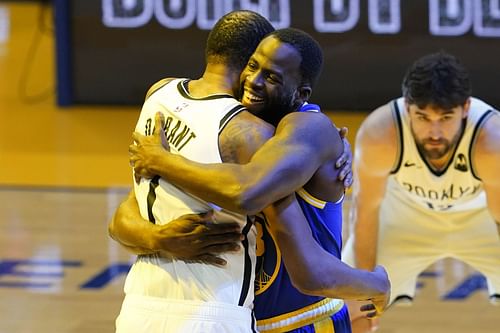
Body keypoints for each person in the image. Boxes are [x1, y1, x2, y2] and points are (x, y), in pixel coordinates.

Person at [118, 28, 390, 333]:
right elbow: (125, 215)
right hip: (242, 318)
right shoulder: (233, 129)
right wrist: (160, 239)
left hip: (306, 320)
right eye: (251, 66)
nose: (253, 81)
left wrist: (161, 160)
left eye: (272, 77)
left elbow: (249, 196)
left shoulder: (308, 129)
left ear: (301, 93)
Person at [111, 10, 276, 333]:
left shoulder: (158, 94)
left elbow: (127, 211)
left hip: (138, 305)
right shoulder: (246, 131)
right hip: (214, 307)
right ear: (252, 64)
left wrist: (158, 238)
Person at [341, 51, 500, 332]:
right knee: (347, 306)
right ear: (407, 109)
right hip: (403, 216)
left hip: (481, 218)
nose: (434, 132)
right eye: (423, 117)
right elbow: (365, 214)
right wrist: (366, 290)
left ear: (465, 108)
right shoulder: (381, 133)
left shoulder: (491, 139)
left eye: (446, 117)